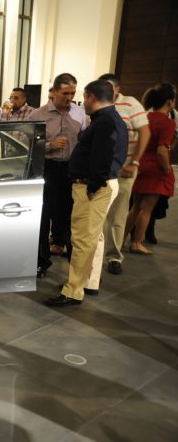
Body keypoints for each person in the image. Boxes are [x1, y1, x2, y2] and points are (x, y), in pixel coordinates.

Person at [46, 80, 127, 307]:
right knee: (89, 239)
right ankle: (83, 284)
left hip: (94, 188)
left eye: (83, 97)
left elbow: (103, 158)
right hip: (96, 186)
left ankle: (73, 291)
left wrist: (92, 186)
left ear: (91, 97)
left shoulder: (105, 122)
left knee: (82, 240)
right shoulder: (110, 119)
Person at [29, 72, 87, 276]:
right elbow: (27, 145)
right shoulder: (38, 115)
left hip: (71, 170)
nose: (69, 98)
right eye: (65, 93)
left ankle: (72, 262)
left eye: (72, 93)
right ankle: (41, 261)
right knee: (43, 217)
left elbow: (84, 142)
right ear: (53, 91)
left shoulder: (79, 113)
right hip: (47, 168)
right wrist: (49, 145)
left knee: (68, 216)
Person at [98, 74, 151, 275]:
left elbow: (145, 132)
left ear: (118, 89)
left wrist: (135, 162)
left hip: (124, 170)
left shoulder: (130, 104)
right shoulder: (99, 103)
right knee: (99, 215)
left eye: (110, 87)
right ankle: (97, 253)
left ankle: (114, 257)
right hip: (102, 170)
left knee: (117, 216)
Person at [123, 83, 176, 255]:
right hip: (155, 170)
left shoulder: (145, 117)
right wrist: (167, 168)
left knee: (135, 207)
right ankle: (137, 243)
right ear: (169, 102)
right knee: (147, 209)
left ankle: (121, 240)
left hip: (140, 166)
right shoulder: (167, 123)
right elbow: (162, 150)